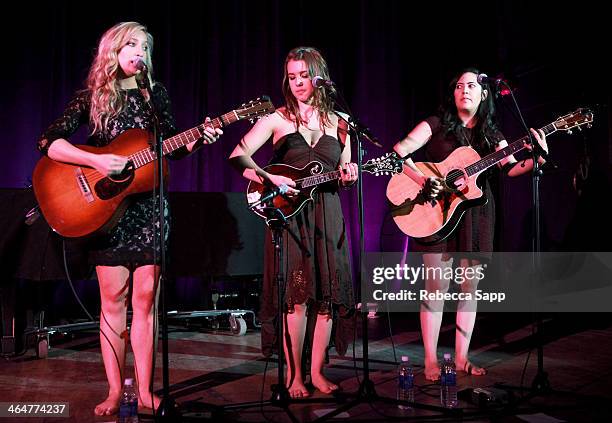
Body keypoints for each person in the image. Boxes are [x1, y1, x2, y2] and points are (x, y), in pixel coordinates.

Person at [36, 22, 222, 415]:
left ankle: (147, 389)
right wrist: (95, 159)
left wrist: (195, 139)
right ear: (114, 51)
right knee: (113, 301)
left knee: (146, 301)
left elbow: (169, 146)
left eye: (145, 47)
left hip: (150, 208)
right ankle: (113, 391)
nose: (139, 52)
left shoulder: (155, 95)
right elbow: (50, 142)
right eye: (131, 45)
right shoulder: (94, 98)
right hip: (108, 209)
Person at [392, 68, 549, 381]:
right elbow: (399, 152)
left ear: (484, 94)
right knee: (436, 287)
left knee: (469, 290)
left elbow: (511, 168)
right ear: (453, 94)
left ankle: (462, 357)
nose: (465, 90)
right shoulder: (435, 124)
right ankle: (430, 360)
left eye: (472, 85)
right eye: (459, 85)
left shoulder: (493, 135)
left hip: (475, 216)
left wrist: (538, 158)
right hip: (436, 211)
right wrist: (424, 179)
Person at [229, 46, 357, 398]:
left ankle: (316, 371)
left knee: (327, 298)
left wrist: (350, 175)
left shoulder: (341, 122)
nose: (298, 83)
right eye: (292, 76)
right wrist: (269, 179)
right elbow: (237, 155)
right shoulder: (276, 118)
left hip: (328, 216)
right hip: (291, 218)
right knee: (297, 298)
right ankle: (294, 375)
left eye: (304, 75)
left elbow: (345, 172)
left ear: (319, 76)